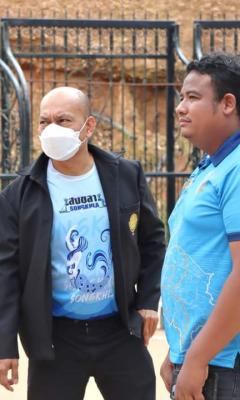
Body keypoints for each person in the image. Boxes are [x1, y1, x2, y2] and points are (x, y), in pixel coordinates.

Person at [0, 86, 165, 399]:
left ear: (89, 126)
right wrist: (4, 348)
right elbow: (3, 274)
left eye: (63, 120)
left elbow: (152, 241)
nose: (51, 129)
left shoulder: (125, 175)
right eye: (44, 122)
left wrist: (148, 300)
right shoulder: (19, 195)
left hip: (120, 331)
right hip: (56, 339)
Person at [160, 53, 240, 400]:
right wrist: (178, 348)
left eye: (193, 97)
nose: (181, 108)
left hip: (223, 364)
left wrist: (197, 357)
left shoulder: (236, 169)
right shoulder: (210, 167)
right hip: (203, 357)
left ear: (227, 104)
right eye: (181, 98)